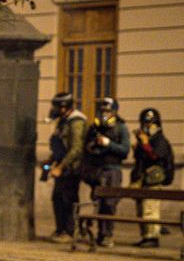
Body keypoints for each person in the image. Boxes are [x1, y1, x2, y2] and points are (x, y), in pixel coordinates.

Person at [82, 97, 130, 248]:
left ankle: (107, 234)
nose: (104, 114)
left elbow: (124, 151)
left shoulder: (120, 128)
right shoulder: (94, 128)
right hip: (97, 169)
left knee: (109, 204)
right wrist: (92, 146)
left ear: (114, 112)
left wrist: (108, 144)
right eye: (102, 111)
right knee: (97, 202)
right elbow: (86, 147)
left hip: (112, 170)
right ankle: (98, 233)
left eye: (108, 111)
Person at [130, 107, 175, 248]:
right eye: (145, 123)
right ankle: (145, 235)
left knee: (150, 208)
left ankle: (152, 236)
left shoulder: (160, 140)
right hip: (142, 179)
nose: (148, 126)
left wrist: (145, 144)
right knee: (141, 210)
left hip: (153, 179)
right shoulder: (145, 139)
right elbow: (140, 159)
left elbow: (156, 156)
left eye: (151, 123)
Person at [45, 92, 86, 242]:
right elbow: (59, 144)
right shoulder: (63, 121)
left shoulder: (76, 121)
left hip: (71, 168)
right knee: (57, 198)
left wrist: (61, 167)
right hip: (61, 165)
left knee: (68, 199)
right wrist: (51, 160)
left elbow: (76, 148)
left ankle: (69, 231)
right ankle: (60, 228)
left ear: (64, 107)